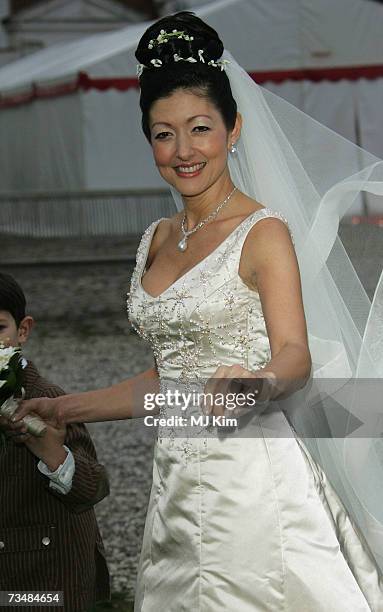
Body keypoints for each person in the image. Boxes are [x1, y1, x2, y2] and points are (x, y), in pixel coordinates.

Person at [11, 11, 383, 611]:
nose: (183, 151)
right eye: (164, 134)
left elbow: (294, 355)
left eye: (200, 128)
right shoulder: (157, 238)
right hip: (176, 484)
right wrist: (64, 407)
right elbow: (168, 379)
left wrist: (256, 383)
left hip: (252, 479)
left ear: (233, 130)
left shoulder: (263, 232)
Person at [0, 272, 111, 612]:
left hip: (46, 582)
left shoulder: (47, 401)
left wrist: (52, 453)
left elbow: (93, 487)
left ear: (23, 331)